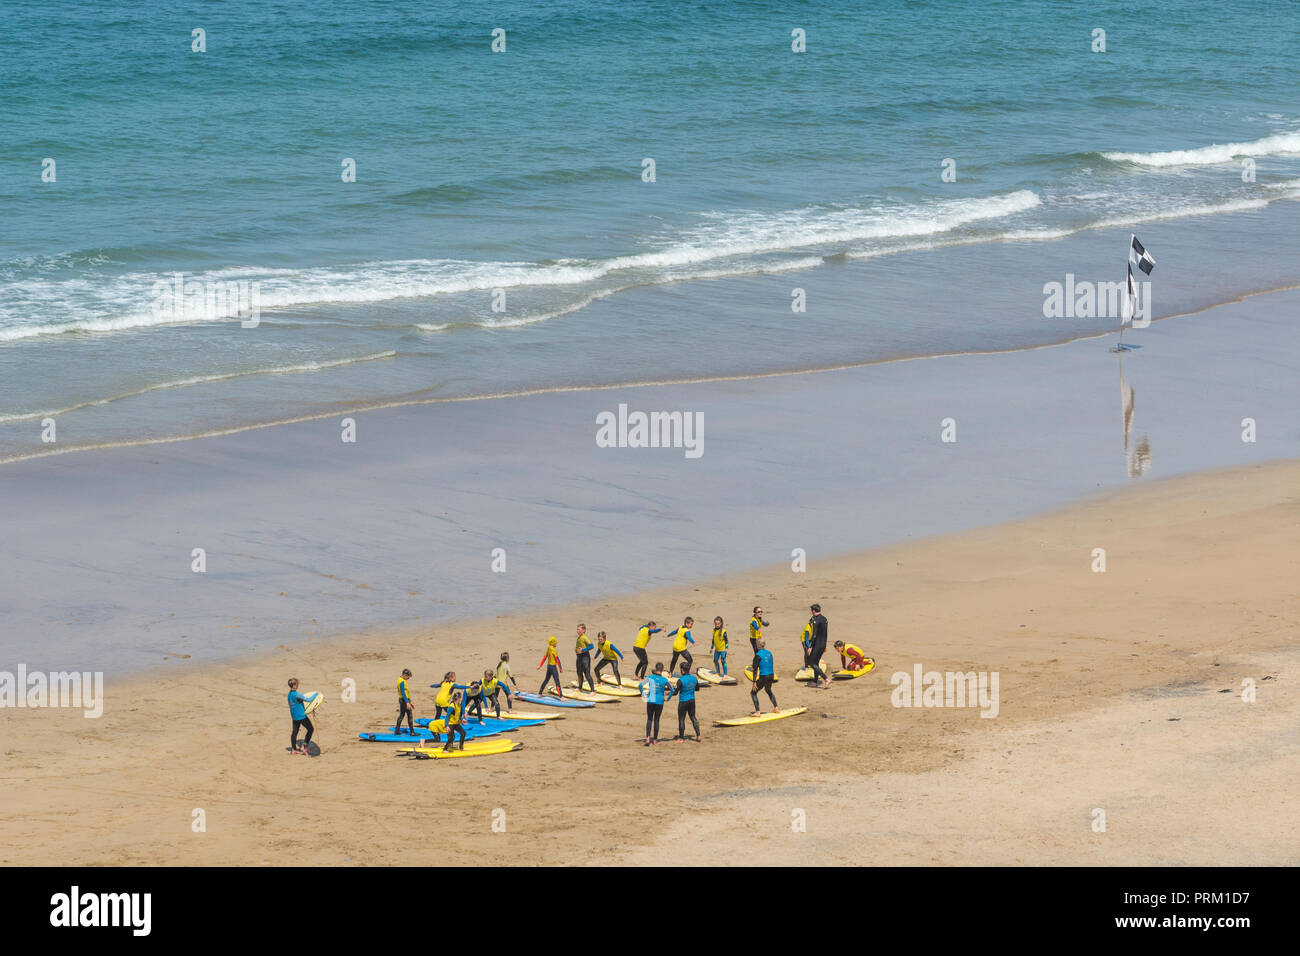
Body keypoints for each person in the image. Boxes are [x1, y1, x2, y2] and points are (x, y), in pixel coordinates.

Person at [639, 662, 674, 746]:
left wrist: (643, 695)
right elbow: (672, 690)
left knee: (649, 719)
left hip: (651, 700)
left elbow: (640, 685)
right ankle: (655, 740)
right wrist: (667, 698)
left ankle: (647, 738)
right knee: (657, 720)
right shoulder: (664, 680)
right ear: (662, 670)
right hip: (659, 701)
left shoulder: (650, 677)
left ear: (655, 668)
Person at [749, 640, 779, 716]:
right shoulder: (769, 653)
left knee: (753, 693)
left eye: (756, 644)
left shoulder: (757, 655)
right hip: (771, 675)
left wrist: (754, 682)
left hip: (763, 677)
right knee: (768, 690)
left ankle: (757, 711)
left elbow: (755, 670)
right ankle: (776, 707)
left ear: (759, 645)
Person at [673, 662, 701, 742]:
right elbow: (697, 689)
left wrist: (670, 691)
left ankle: (681, 738)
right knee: (693, 717)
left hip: (683, 702)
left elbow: (675, 693)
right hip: (692, 701)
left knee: (681, 719)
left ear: (682, 670)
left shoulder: (680, 680)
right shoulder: (694, 678)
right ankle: (698, 735)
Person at [287, 678, 314, 754]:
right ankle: (304, 747)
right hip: (301, 716)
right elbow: (309, 699)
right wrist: (317, 694)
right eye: (297, 684)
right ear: (294, 685)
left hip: (294, 716)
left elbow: (291, 704)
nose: (298, 685)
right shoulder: (297, 694)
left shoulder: (289, 694)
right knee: (311, 729)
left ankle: (293, 749)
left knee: (294, 732)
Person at [808, 604, 830, 689]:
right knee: (816, 663)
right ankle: (815, 682)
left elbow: (814, 635)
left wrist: (810, 646)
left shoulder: (816, 620)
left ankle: (826, 679)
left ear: (813, 611)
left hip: (817, 644)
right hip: (823, 644)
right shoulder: (824, 619)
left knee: (812, 663)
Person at [574, 623, 597, 693]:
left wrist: (582, 650)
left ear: (584, 630)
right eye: (577, 629)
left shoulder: (584, 637)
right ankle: (580, 687)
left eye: (579, 629)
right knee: (579, 673)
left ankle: (593, 690)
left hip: (585, 658)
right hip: (579, 658)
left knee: (587, 674)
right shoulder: (579, 637)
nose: (577, 631)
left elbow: (591, 646)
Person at [396, 669, 416, 735]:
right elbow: (403, 692)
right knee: (409, 715)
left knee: (401, 715)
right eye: (408, 677)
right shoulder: (402, 682)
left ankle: (397, 731)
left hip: (402, 699)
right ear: (404, 675)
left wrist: (409, 701)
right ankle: (412, 732)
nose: (408, 678)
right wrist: (407, 702)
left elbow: (406, 692)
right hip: (404, 700)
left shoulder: (400, 679)